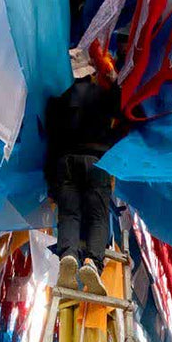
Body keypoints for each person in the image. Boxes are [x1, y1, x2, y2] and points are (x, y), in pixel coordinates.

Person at [43, 58, 125, 296]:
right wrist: (111, 77)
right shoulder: (102, 94)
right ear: (90, 73)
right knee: (98, 217)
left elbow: (49, 141)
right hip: (98, 160)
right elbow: (122, 107)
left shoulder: (57, 100)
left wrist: (50, 183)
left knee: (69, 213)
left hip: (64, 162)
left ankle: (68, 255)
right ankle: (92, 263)